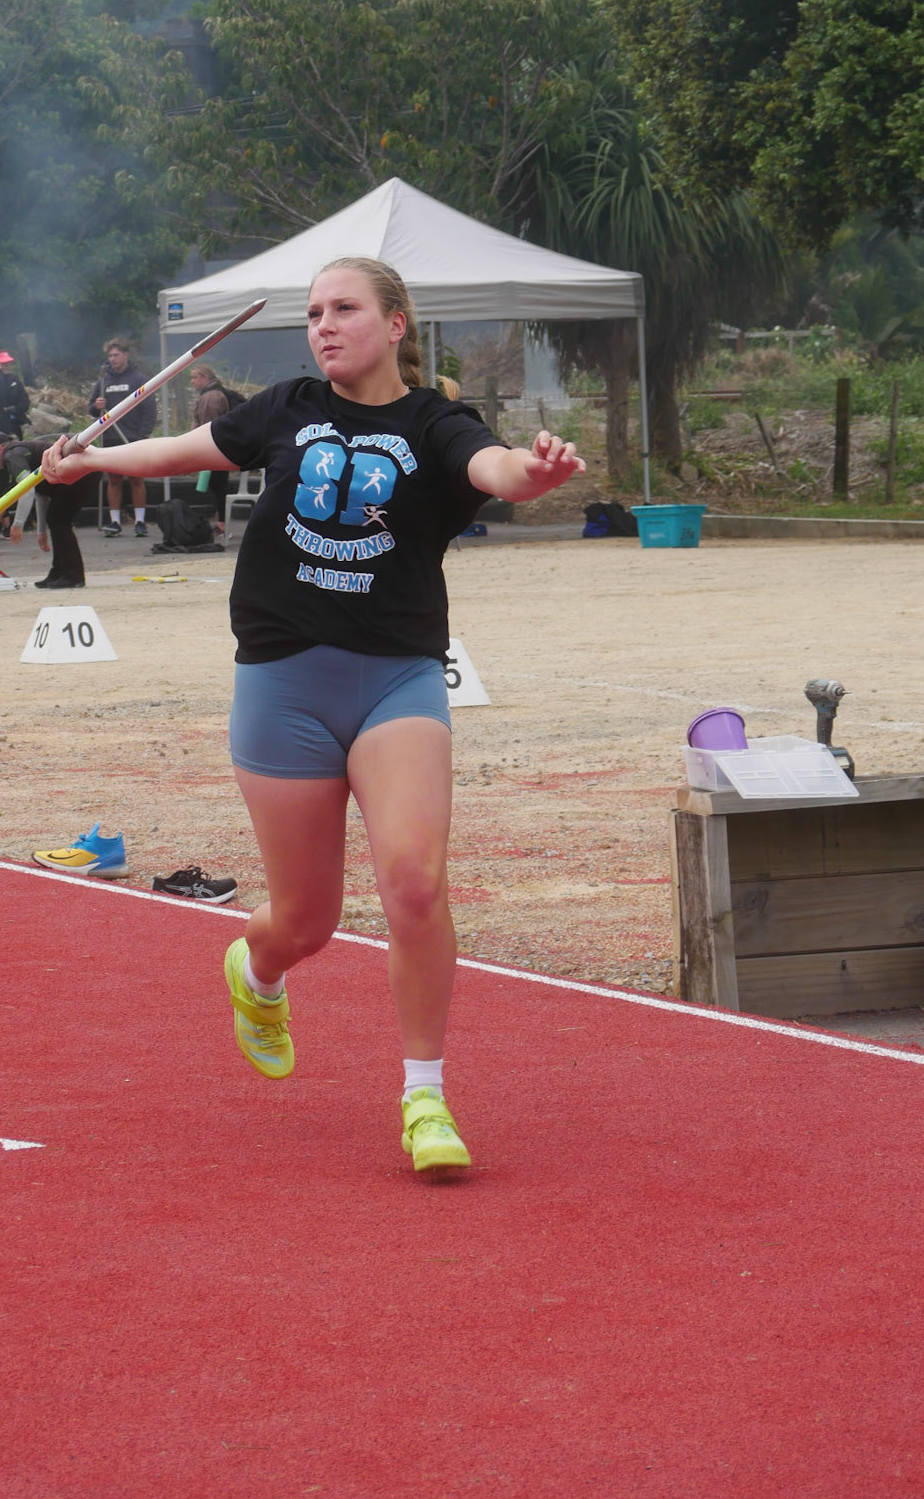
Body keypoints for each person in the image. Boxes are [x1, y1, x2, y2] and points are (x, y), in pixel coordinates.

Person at [42, 256, 584, 1174]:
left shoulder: (435, 423)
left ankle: (424, 1098)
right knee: (305, 922)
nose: (322, 326)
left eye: (343, 309)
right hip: (283, 683)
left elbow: (495, 469)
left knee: (414, 882)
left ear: (396, 324)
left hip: (397, 680)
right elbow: (185, 450)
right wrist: (90, 459)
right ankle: (255, 971)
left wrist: (537, 471)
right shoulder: (288, 406)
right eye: (313, 313)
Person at [0, 432, 90, 590]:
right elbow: (41, 494)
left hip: (80, 469)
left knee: (59, 519)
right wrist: (41, 531)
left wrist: (18, 525)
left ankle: (73, 575)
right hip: (78, 469)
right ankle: (59, 572)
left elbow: (27, 490)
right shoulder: (18, 453)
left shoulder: (12, 455)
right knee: (56, 519)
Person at [88, 337, 156, 538]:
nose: (112, 359)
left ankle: (140, 521)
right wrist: (96, 406)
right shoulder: (103, 381)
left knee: (136, 479)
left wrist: (142, 435)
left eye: (116, 355)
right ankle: (115, 521)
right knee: (114, 480)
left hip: (133, 437)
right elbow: (92, 409)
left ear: (126, 355)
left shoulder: (139, 379)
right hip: (110, 437)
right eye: (110, 356)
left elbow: (149, 409)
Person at [190, 363, 239, 529]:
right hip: (218, 447)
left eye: (195, 377)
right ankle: (221, 521)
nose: (192, 381)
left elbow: (208, 425)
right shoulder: (212, 394)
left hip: (215, 449)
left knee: (217, 485)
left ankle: (221, 523)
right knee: (216, 485)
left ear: (205, 378)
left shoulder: (211, 397)